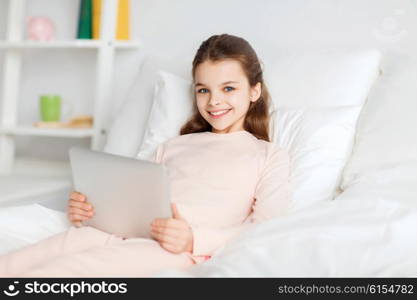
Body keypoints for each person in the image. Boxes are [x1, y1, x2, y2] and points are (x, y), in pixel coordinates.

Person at [0, 33, 292, 277]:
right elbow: (131, 204)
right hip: (121, 233)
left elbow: (266, 228)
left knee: (62, 272)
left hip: (173, 249)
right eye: (203, 90)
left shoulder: (268, 155)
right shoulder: (174, 146)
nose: (214, 101)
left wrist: (194, 239)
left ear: (254, 91)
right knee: (22, 261)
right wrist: (87, 212)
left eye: (228, 88)